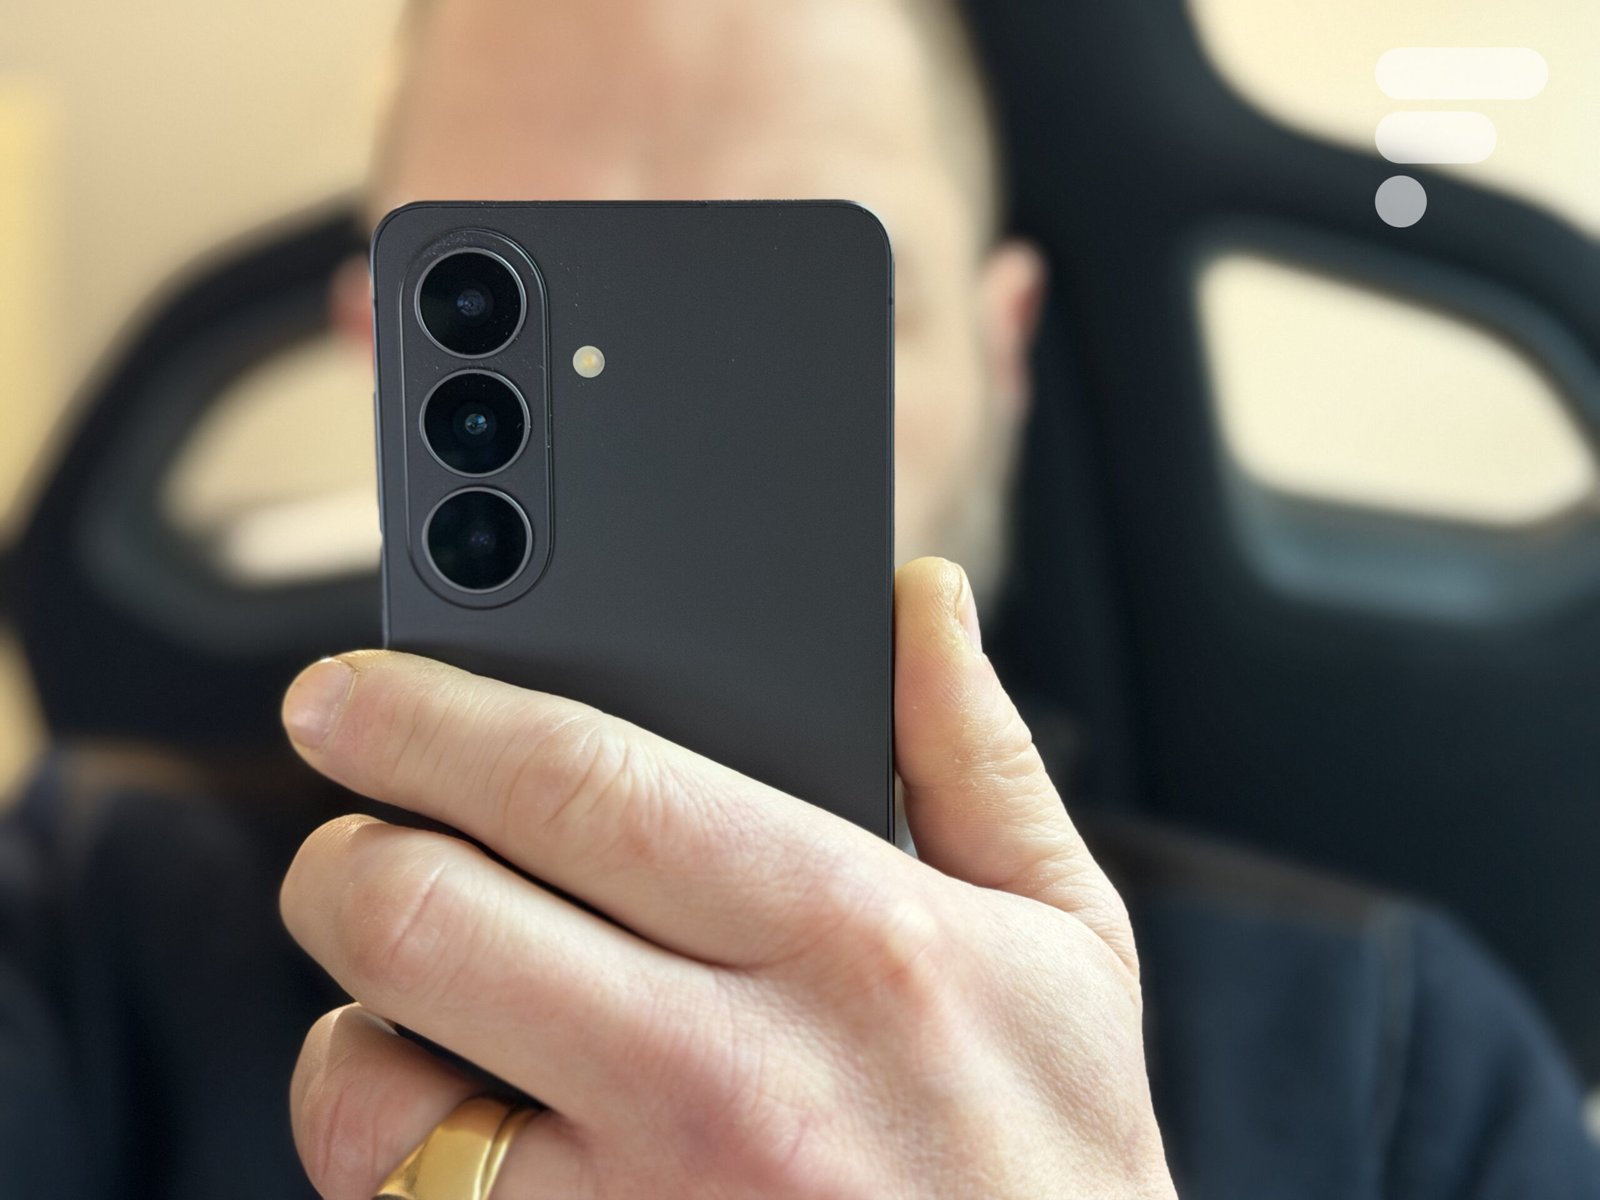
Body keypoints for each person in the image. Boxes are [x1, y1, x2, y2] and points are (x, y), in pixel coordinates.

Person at [4, 0, 1599, 1196]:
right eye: (513, 315)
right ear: (378, 359)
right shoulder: (73, 941)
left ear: (1001, 354)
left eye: (801, 325)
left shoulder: (1396, 1061)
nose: (675, 447)